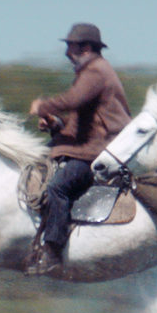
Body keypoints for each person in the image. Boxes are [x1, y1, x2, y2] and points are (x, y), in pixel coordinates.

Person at [25, 22, 132, 275]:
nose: (66, 53)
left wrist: (43, 107)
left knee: (58, 187)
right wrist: (56, 124)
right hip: (93, 146)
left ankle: (53, 252)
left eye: (70, 47)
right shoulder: (91, 72)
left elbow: (72, 100)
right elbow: (81, 122)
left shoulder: (96, 71)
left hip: (100, 152)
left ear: (85, 48)